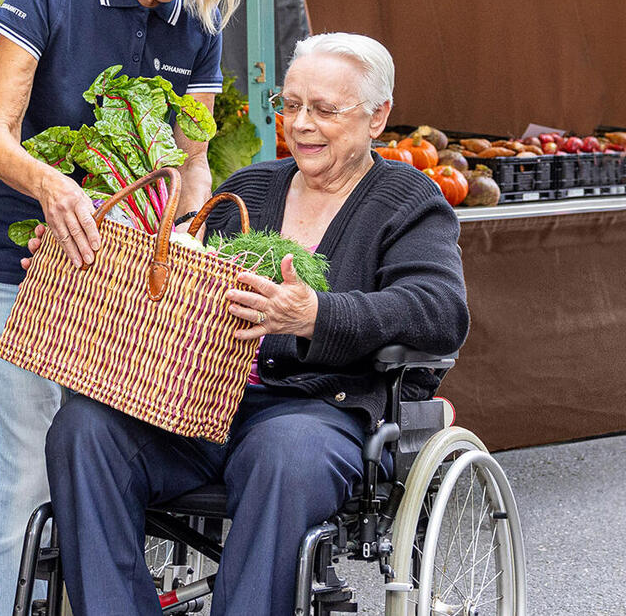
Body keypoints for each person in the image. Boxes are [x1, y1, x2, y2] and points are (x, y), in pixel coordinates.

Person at [40, 33, 470, 616]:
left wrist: (317, 315)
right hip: (199, 409)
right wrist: (80, 260)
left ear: (378, 117)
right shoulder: (250, 188)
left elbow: (438, 309)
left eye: (324, 109)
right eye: (291, 105)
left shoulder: (407, 200)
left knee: (283, 453)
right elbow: (175, 283)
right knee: (82, 430)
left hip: (318, 413)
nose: (302, 124)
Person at [0, 0, 267, 616]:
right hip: (22, 266)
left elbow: (193, 159)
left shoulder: (200, 18)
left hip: (126, 281)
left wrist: (191, 223)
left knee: (100, 465)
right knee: (26, 480)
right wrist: (50, 182)